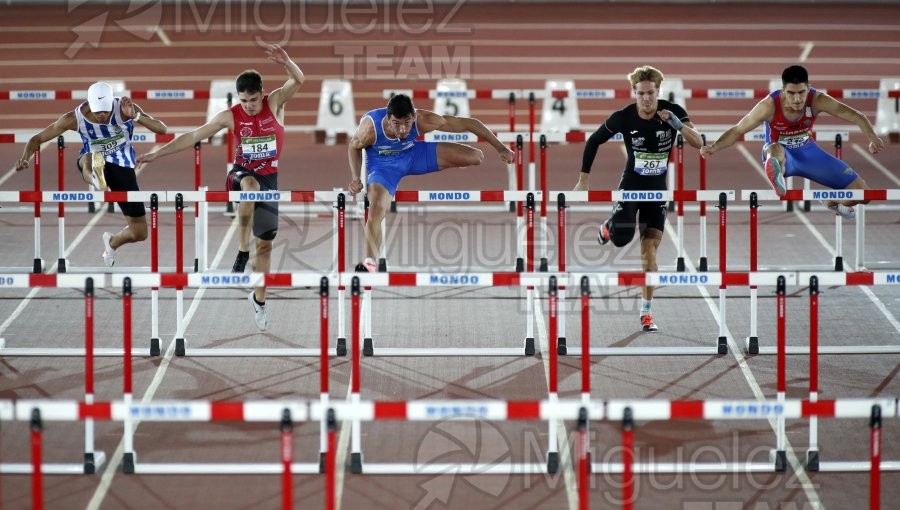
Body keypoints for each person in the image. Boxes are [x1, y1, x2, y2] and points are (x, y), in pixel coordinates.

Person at [137, 44, 304, 331]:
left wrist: (287, 62)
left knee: (265, 246)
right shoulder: (231, 115)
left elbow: (298, 80)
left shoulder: (275, 102)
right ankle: (241, 251)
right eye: (244, 100)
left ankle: (259, 300)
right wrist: (157, 153)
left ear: (262, 93)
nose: (249, 105)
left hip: (269, 179)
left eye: (253, 99)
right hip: (240, 175)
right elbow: (193, 135)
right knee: (249, 186)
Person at [574, 66, 702, 333]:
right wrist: (584, 180)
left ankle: (646, 311)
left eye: (651, 93)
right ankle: (609, 226)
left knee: (649, 255)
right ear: (635, 93)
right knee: (621, 238)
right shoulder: (624, 117)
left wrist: (677, 125)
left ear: (658, 92)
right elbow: (594, 140)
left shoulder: (673, 111)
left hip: (657, 193)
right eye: (641, 93)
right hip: (631, 187)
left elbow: (699, 142)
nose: (646, 99)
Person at [347, 93, 515, 272]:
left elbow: (468, 123)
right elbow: (353, 147)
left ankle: (448, 162)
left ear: (414, 117)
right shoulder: (370, 128)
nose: (403, 130)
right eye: (397, 124)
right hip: (383, 166)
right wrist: (356, 178)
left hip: (413, 155)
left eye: (407, 123)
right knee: (377, 207)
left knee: (475, 156)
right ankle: (369, 262)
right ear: (388, 119)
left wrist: (500, 147)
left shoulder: (424, 120)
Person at [700, 64, 885, 219]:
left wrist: (872, 137)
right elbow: (738, 129)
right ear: (783, 91)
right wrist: (714, 146)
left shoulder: (818, 100)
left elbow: (857, 116)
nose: (797, 99)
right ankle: (776, 175)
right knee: (775, 149)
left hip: (809, 153)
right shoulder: (769, 105)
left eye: (801, 93)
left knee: (864, 194)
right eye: (791, 93)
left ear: (808, 88)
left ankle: (832, 202)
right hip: (783, 156)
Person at [15, 81, 167, 268]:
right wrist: (25, 157)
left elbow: (162, 129)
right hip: (90, 158)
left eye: (106, 111)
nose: (102, 116)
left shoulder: (125, 108)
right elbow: (36, 139)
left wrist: (136, 117)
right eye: (98, 112)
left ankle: (112, 242)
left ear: (112, 103)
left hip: (122, 166)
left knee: (140, 232)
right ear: (89, 104)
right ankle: (96, 178)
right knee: (88, 157)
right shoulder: (73, 118)